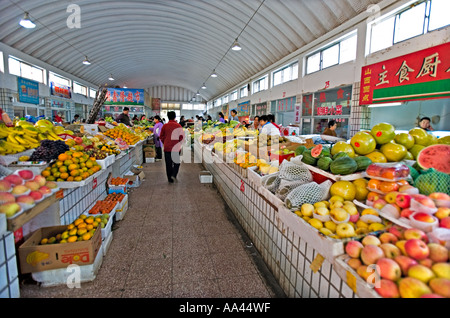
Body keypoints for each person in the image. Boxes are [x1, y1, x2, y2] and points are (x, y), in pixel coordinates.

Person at [160, 111, 184, 183]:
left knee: (168, 164)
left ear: (168, 117)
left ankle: (169, 179)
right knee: (176, 163)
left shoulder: (165, 126)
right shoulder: (178, 126)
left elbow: (161, 136)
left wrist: (165, 142)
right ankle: (174, 174)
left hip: (167, 148)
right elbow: (181, 137)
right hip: (176, 148)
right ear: (175, 117)